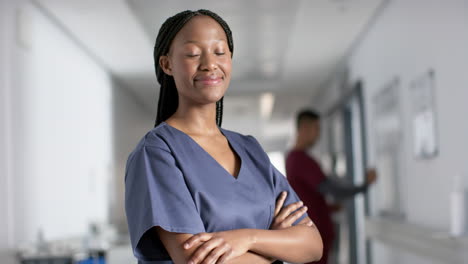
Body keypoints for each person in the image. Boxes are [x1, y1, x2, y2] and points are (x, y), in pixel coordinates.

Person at [124, 10, 323, 264]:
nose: (209, 64)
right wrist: (275, 247)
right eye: (193, 53)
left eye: (220, 52)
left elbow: (312, 245)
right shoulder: (157, 151)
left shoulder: (249, 148)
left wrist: (249, 238)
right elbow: (196, 260)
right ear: (167, 64)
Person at [286, 109, 377, 264]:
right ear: (304, 129)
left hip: (314, 234)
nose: (318, 134)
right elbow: (333, 190)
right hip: (314, 236)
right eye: (317, 129)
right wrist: (365, 185)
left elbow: (308, 196)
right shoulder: (300, 160)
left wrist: (329, 208)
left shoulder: (294, 159)